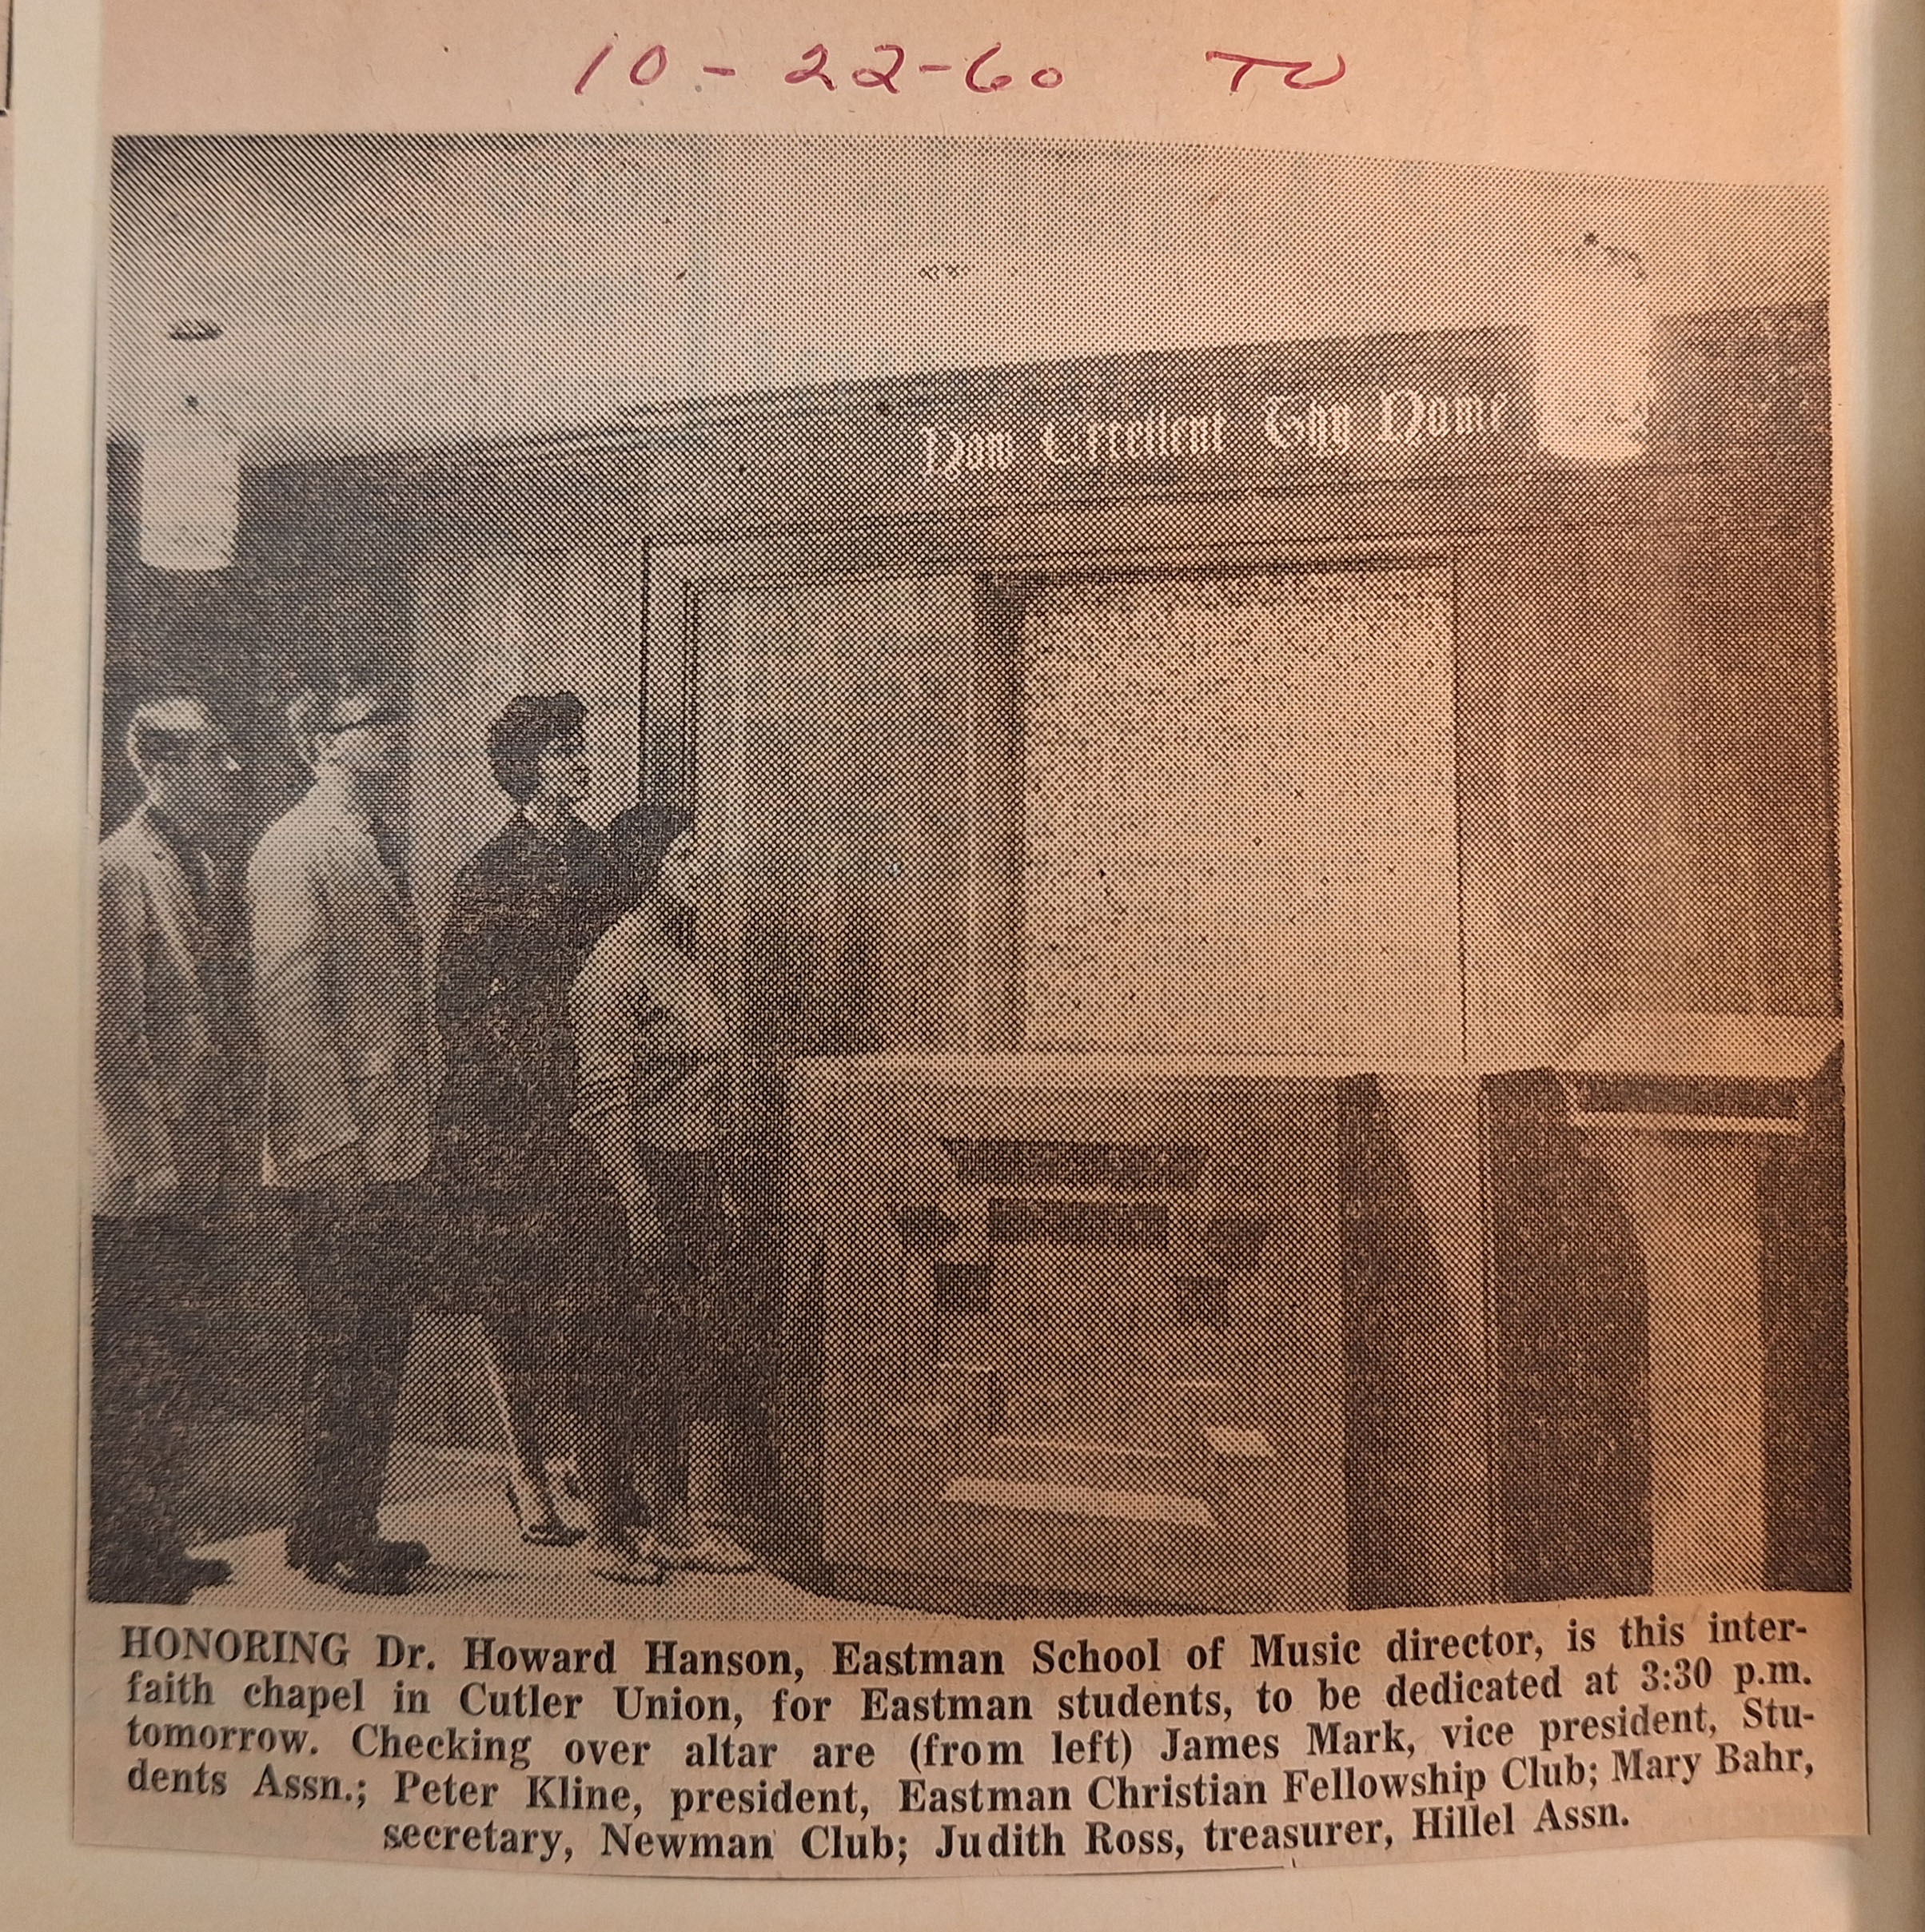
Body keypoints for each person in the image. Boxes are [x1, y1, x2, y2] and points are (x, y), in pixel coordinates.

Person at [247, 677, 435, 1595]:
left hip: (391, 1138)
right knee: (343, 1340)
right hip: (341, 1149)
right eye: (377, 724)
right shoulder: (295, 845)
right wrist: (333, 1146)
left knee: (373, 1341)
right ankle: (331, 1537)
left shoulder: (366, 837)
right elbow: (289, 1010)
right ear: (324, 742)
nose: (396, 736)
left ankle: (338, 1522)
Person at [433, 692, 619, 1547]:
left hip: (596, 1105)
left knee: (587, 1290)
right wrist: (526, 1081)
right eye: (563, 750)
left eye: (581, 746)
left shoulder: (605, 855)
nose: (581, 761)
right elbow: (458, 1005)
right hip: (509, 1118)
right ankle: (526, 1468)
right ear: (525, 766)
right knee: (513, 1294)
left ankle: (590, 1456)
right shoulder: (488, 869)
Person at [568, 811, 757, 1583]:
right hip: (631, 1182)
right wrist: (640, 1201)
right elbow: (604, 1103)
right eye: (684, 855)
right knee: (619, 1355)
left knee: (676, 1351)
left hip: (688, 1174)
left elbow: (710, 1079)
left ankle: (674, 1518)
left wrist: (714, 1183)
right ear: (646, 865)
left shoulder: (685, 956)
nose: (700, 867)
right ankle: (610, 1529)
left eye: (702, 853)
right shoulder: (612, 970)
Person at [90, 696, 246, 1603]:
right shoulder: (116, 867)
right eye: (214, 754)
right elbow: (114, 1034)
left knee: (180, 1357)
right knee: (134, 1362)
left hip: (198, 1157)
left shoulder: (199, 861)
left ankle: (158, 1537)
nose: (231, 769)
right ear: (160, 765)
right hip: (145, 1172)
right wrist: (149, 1160)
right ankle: (119, 1555)